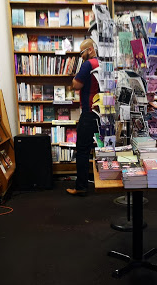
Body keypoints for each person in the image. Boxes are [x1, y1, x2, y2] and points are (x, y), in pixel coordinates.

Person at [66, 39, 100, 196]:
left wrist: (75, 79)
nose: (81, 56)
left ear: (90, 50)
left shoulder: (88, 64)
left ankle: (81, 187)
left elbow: (76, 84)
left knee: (82, 149)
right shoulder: (101, 63)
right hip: (101, 111)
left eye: (82, 52)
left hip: (89, 111)